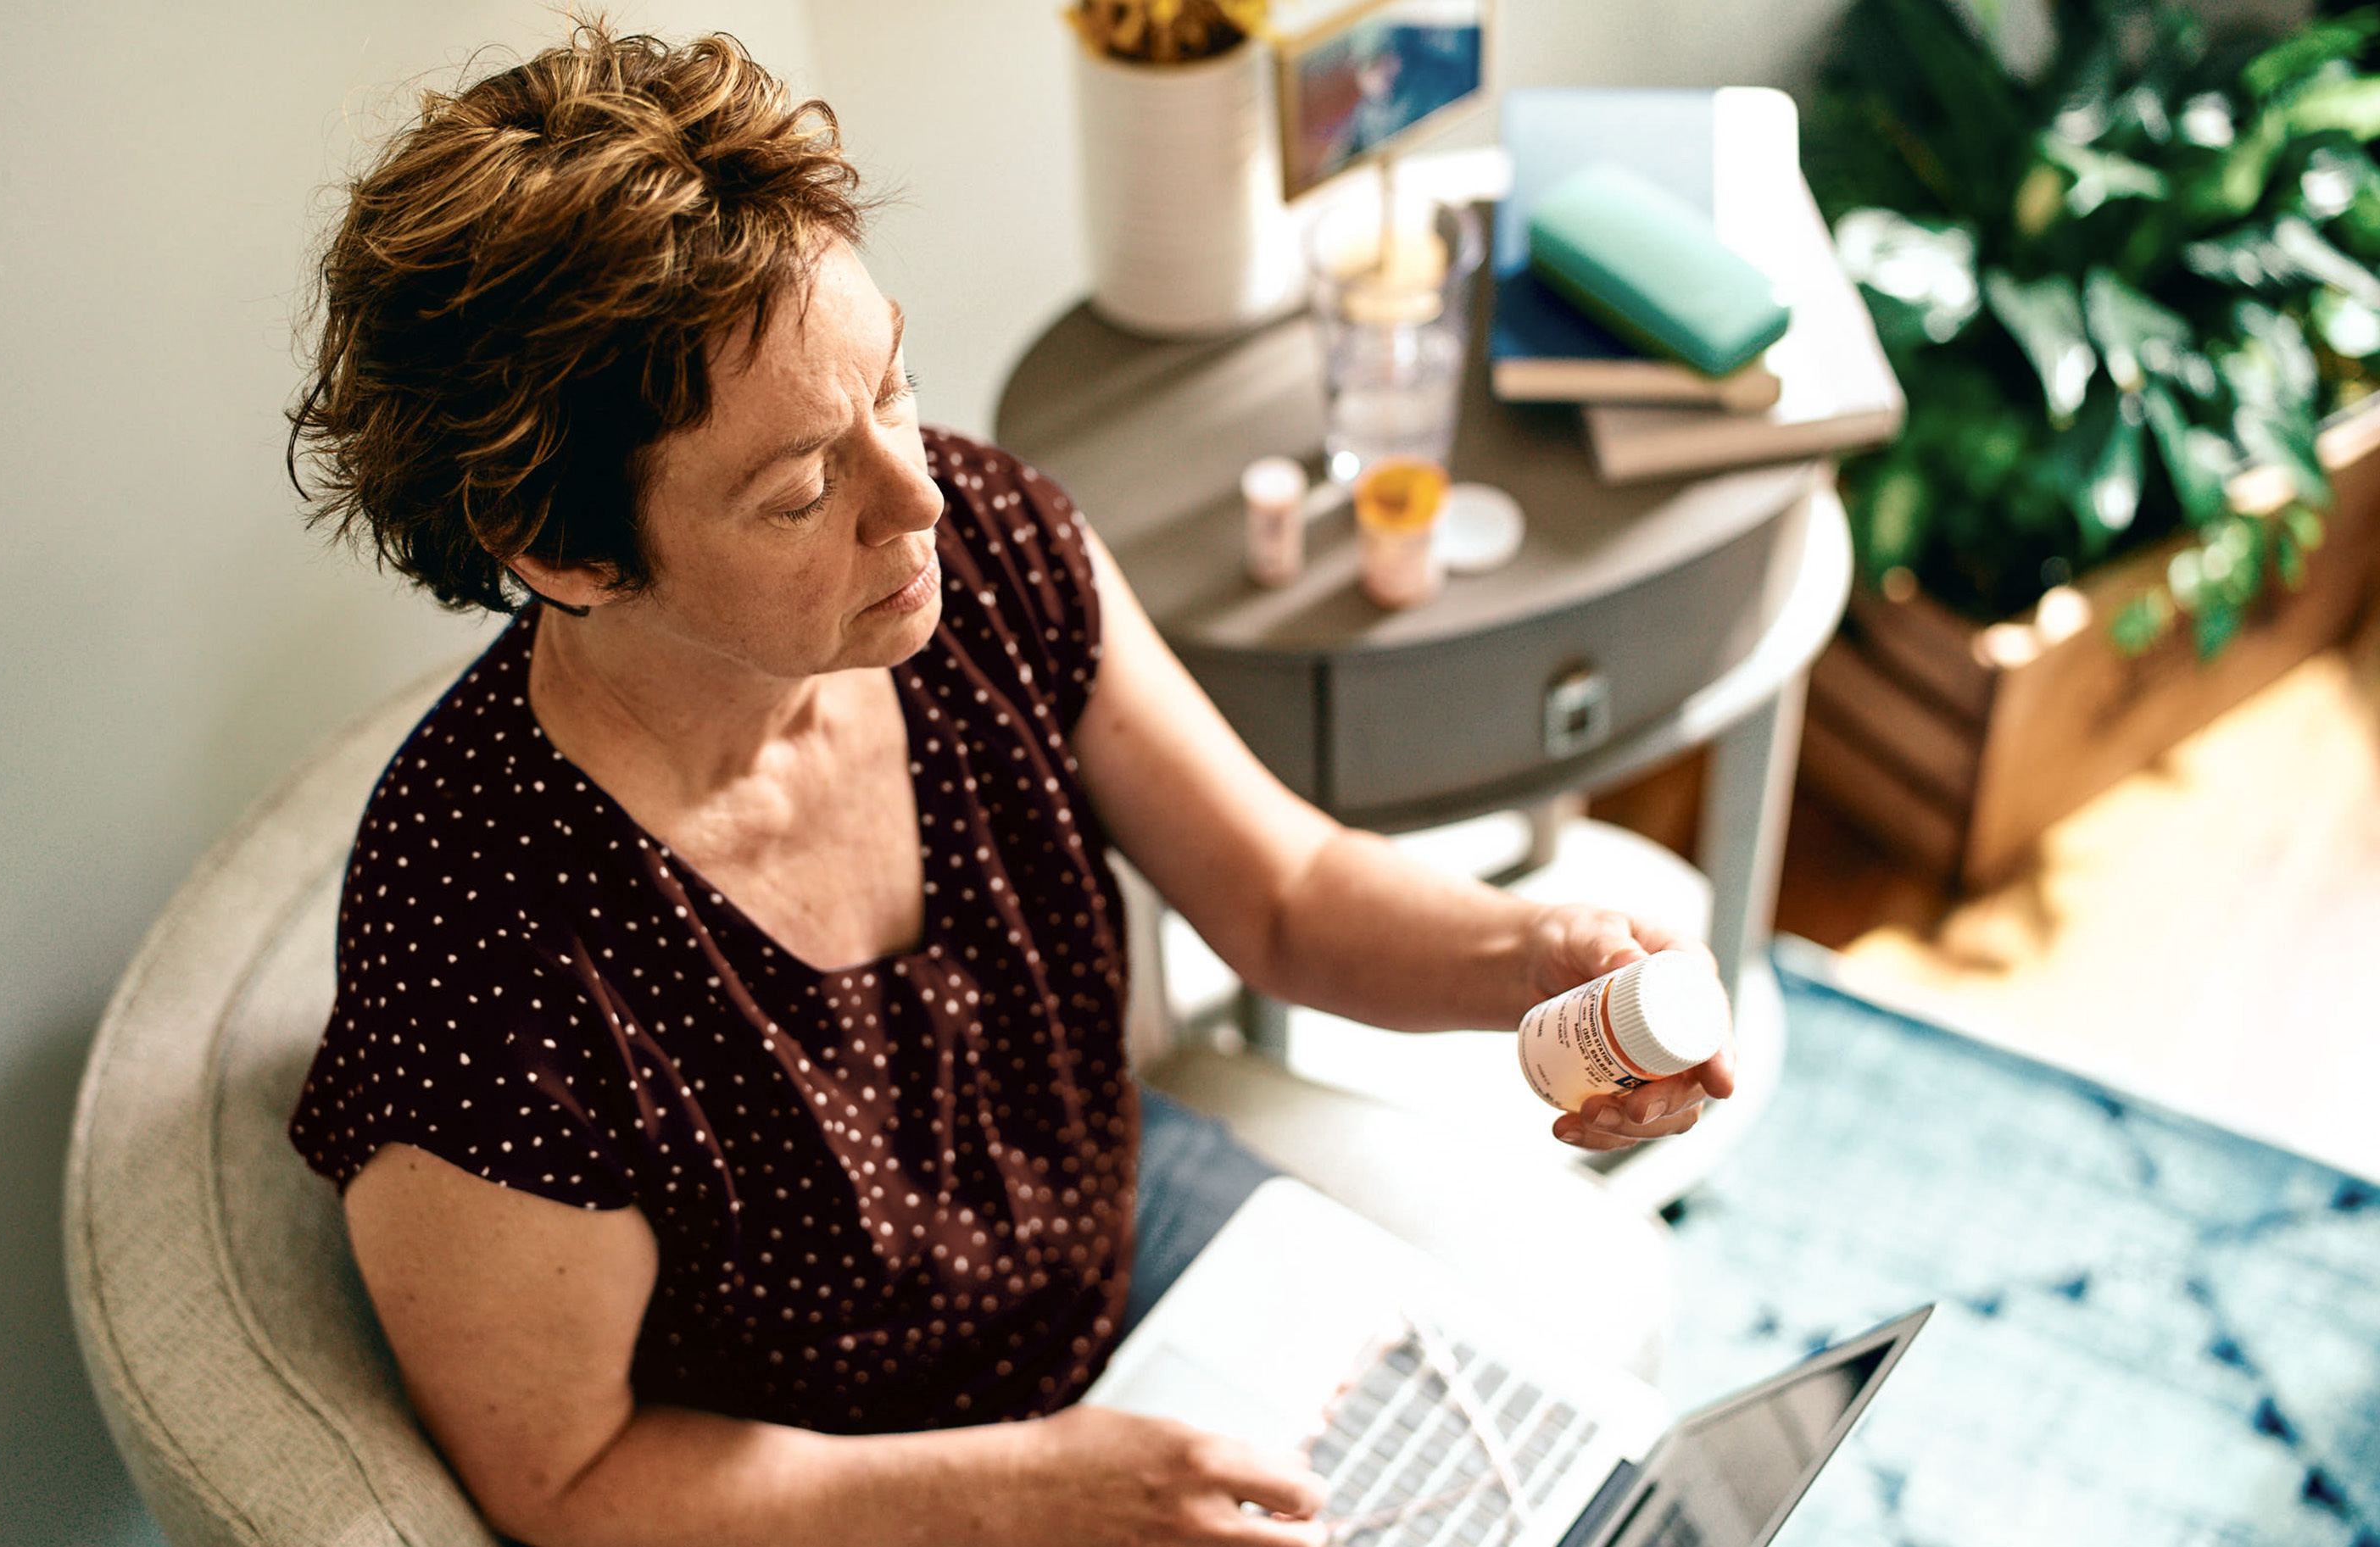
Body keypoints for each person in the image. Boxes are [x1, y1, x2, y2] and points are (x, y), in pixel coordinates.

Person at [285, 20, 1735, 1547]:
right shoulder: (477, 930)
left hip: (1117, 1228)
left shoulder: (976, 541)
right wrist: (1023, 1492)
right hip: (846, 1480)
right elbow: (566, 1481)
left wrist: (1540, 961)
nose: (916, 497)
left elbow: (1287, 894)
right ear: (567, 556)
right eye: (798, 492)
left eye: (891, 391)